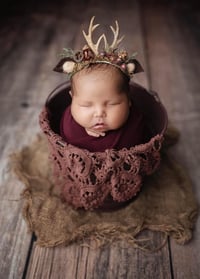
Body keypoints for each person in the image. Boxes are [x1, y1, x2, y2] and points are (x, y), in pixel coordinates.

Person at [54, 16, 145, 152]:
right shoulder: (70, 125)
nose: (99, 113)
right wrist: (81, 130)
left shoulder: (136, 126)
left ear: (128, 99)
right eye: (85, 105)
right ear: (72, 98)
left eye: (112, 104)